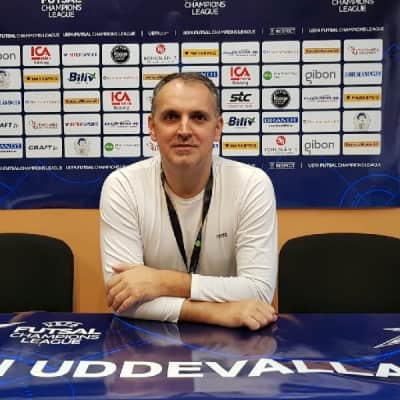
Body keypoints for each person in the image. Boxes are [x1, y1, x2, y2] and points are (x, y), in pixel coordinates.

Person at [100, 72, 278, 330]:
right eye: (171, 117)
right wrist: (215, 312)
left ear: (217, 128)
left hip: (234, 346)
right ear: (152, 127)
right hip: (151, 343)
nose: (184, 130)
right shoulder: (123, 186)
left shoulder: (251, 184)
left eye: (198, 117)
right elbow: (122, 298)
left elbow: (259, 291)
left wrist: (162, 282)